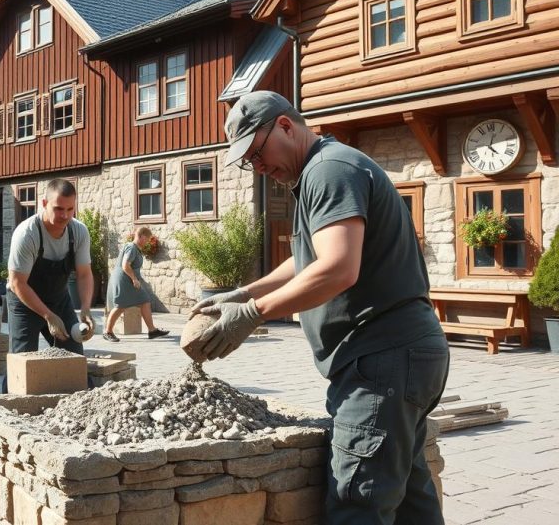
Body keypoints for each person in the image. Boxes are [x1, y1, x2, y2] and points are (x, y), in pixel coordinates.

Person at [185, 91, 449, 525]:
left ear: (286, 126)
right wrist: (243, 294)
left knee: (357, 502)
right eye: (248, 161)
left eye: (257, 152)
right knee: (409, 504)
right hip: (399, 356)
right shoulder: (321, 170)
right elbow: (308, 257)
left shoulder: (330, 170)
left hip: (382, 360)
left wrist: (253, 315)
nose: (259, 167)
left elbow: (338, 267)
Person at [6, 179, 95, 364]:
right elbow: (17, 282)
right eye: (59, 209)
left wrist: (86, 307)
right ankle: (11, 393)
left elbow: (84, 273)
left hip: (58, 299)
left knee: (74, 358)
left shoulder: (79, 232)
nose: (65, 216)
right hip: (23, 302)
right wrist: (48, 315)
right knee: (23, 362)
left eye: (70, 209)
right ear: (44, 204)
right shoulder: (27, 234)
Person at [102, 226, 169, 341]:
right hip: (124, 280)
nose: (148, 242)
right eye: (147, 239)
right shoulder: (131, 248)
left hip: (128, 279)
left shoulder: (135, 248)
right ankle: (108, 332)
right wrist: (134, 279)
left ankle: (152, 330)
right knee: (120, 305)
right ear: (141, 236)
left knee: (145, 301)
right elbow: (125, 265)